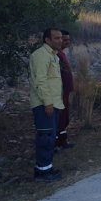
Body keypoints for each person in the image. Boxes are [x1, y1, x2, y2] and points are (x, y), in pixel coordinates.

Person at [29, 28, 64, 182]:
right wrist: (47, 102)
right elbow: (40, 81)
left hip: (54, 104)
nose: (60, 40)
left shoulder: (54, 56)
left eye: (61, 38)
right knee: (45, 138)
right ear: (47, 40)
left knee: (50, 138)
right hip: (44, 105)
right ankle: (42, 173)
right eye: (56, 38)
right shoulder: (41, 55)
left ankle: (46, 168)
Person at [55, 30, 75, 150]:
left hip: (66, 92)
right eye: (64, 39)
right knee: (60, 117)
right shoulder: (56, 55)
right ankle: (56, 143)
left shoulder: (62, 53)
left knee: (65, 117)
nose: (67, 42)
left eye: (68, 39)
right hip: (60, 92)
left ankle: (63, 141)